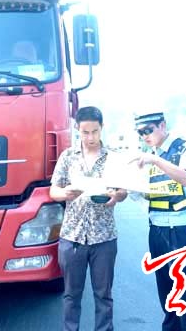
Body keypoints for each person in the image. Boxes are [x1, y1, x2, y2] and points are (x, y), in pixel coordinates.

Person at [50, 106, 128, 331]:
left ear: (102, 128)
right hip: (72, 237)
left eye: (95, 131)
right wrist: (65, 193)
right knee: (71, 295)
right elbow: (53, 190)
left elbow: (123, 191)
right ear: (77, 129)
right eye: (85, 132)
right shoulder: (67, 156)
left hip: (104, 238)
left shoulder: (113, 158)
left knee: (103, 295)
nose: (91, 137)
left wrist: (117, 196)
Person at [130, 110, 186, 331]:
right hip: (157, 230)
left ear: (162, 125)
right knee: (167, 294)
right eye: (140, 133)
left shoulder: (183, 148)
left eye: (148, 130)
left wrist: (156, 159)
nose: (145, 136)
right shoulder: (148, 156)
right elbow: (145, 193)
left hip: (181, 230)